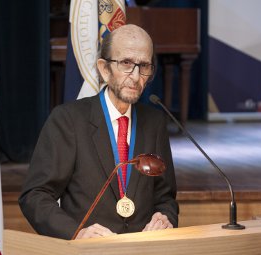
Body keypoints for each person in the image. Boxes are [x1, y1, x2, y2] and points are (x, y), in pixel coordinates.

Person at [19, 24, 178, 240]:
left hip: (142, 248)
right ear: (104, 68)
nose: (135, 75)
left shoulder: (155, 122)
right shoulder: (68, 120)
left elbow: (165, 196)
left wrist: (165, 217)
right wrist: (76, 233)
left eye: (144, 66)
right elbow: (35, 196)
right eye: (126, 63)